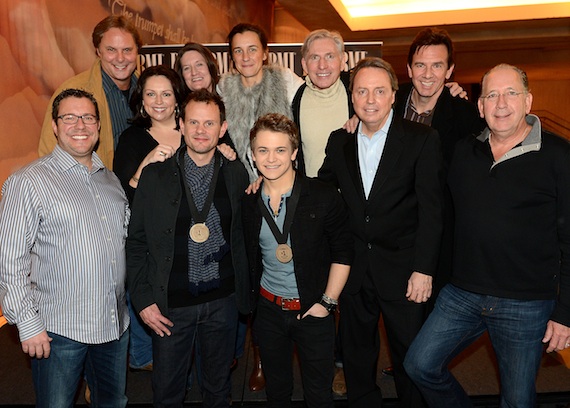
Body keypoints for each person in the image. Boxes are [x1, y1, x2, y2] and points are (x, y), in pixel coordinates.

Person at [404, 64, 570, 408]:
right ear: (480, 107)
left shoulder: (559, 156)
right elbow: (424, 187)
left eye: (511, 93)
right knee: (419, 365)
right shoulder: (464, 151)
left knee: (518, 400)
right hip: (463, 293)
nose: (501, 103)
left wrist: (565, 312)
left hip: (526, 302)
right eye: (491, 95)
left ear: (528, 101)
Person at [318, 57, 444, 408]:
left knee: (411, 357)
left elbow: (433, 211)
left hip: (405, 271)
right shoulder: (339, 142)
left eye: (378, 91)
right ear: (352, 97)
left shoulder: (422, 139)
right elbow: (321, 193)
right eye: (361, 91)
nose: (370, 99)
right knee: (357, 355)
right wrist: (273, 184)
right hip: (355, 268)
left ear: (393, 95)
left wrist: (424, 269)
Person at [0, 88, 130, 407]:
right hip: (59, 332)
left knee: (112, 403)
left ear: (98, 126)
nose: (80, 125)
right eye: (69, 117)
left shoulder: (110, 181)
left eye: (87, 117)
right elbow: (9, 260)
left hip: (113, 327)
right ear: (55, 127)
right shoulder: (29, 182)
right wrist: (28, 325)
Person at [126, 89, 250, 407]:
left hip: (222, 303)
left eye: (209, 124)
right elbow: (136, 242)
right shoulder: (154, 176)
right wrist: (142, 301)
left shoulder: (236, 173)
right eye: (193, 122)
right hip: (169, 307)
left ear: (223, 128)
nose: (200, 131)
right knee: (167, 393)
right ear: (180, 124)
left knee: (218, 390)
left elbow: (244, 237)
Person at [242, 113, 353, 407]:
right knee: (277, 393)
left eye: (280, 150)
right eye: (263, 150)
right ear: (252, 155)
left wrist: (327, 303)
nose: (271, 158)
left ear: (293, 153)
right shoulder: (249, 202)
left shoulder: (323, 195)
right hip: (268, 312)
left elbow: (343, 252)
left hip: (313, 311)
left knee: (319, 395)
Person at [113, 65, 185, 372]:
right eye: (151, 94)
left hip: (189, 238)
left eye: (166, 93)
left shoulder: (194, 129)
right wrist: (143, 166)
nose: (159, 101)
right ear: (141, 100)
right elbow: (122, 196)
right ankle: (147, 358)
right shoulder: (132, 138)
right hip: (149, 238)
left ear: (177, 98)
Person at [38, 15, 142, 169]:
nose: (120, 58)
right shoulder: (72, 93)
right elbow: (48, 153)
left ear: (137, 51)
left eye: (127, 50)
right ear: (98, 51)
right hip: (95, 190)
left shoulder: (150, 91)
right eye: (111, 50)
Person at [219, 22, 304, 182]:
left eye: (252, 49)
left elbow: (317, 96)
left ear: (265, 53)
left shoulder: (285, 79)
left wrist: (354, 115)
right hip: (242, 188)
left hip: (284, 181)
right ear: (232, 57)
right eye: (238, 51)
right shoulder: (224, 87)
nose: (245, 57)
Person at [292, 29, 353, 178]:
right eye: (314, 57)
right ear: (304, 65)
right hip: (313, 196)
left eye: (330, 56)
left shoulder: (357, 92)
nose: (322, 65)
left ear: (343, 60)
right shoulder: (296, 98)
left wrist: (363, 117)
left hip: (351, 198)